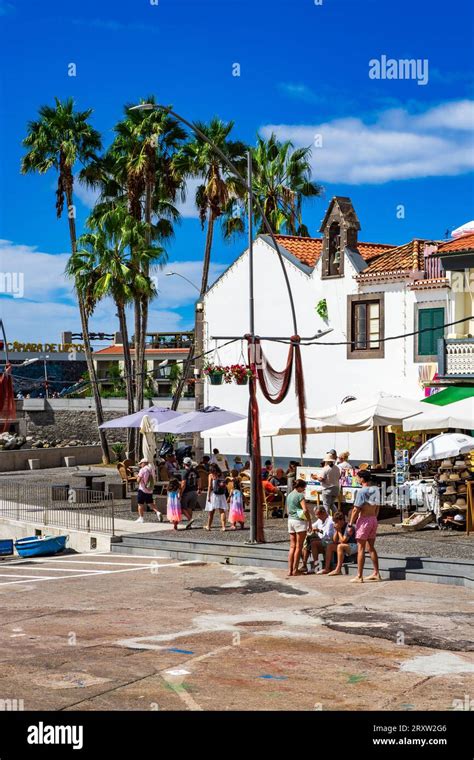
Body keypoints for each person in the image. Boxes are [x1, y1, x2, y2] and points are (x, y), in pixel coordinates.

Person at [348, 470, 382, 583]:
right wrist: (374, 517)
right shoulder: (376, 490)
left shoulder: (361, 492)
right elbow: (377, 507)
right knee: (371, 547)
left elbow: (356, 509)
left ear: (362, 479)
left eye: (358, 478)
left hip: (364, 520)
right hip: (373, 519)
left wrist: (350, 524)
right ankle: (376, 573)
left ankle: (359, 575)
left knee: (361, 548)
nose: (357, 479)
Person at [286, 479, 312, 576]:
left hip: (290, 520)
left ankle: (289, 570)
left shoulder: (289, 495)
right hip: (299, 521)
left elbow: (288, 510)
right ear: (300, 487)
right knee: (299, 546)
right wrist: (309, 521)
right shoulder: (300, 495)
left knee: (292, 546)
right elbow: (305, 510)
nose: (304, 489)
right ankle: (295, 569)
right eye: (304, 488)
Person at [303, 506, 335, 573]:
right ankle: (306, 565)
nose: (317, 517)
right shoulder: (320, 520)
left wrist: (319, 530)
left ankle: (314, 566)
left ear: (323, 513)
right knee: (307, 541)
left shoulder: (330, 521)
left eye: (318, 515)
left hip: (329, 541)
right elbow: (312, 526)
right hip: (321, 541)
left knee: (313, 543)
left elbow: (329, 535)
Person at [135, 457, 159, 523]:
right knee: (150, 502)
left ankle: (141, 518)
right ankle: (158, 512)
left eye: (141, 463)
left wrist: (137, 476)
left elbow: (138, 481)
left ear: (143, 463)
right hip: (150, 489)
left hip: (142, 489)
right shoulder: (152, 469)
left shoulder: (142, 470)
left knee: (140, 504)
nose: (140, 465)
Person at [205, 464, 228, 531]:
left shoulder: (211, 475)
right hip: (221, 494)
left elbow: (209, 486)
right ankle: (223, 527)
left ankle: (208, 526)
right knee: (222, 511)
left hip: (213, 494)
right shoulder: (221, 475)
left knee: (211, 511)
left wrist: (208, 496)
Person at [179, 457, 200, 530]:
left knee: (182, 507)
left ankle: (189, 519)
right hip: (194, 491)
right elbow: (199, 480)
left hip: (186, 492)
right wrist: (199, 489)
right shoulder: (195, 471)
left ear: (184, 464)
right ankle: (190, 523)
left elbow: (183, 484)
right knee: (189, 508)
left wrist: (180, 493)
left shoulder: (185, 472)